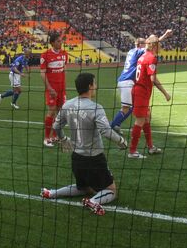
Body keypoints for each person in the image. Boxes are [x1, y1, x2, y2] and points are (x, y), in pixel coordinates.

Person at [40, 73, 127, 216]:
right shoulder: (95, 108)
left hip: (77, 158)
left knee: (84, 188)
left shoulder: (68, 105)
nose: (96, 86)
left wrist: (63, 139)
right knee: (111, 190)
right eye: (94, 83)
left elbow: (56, 126)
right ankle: (93, 202)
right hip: (94, 158)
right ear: (89, 86)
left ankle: (51, 193)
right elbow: (105, 131)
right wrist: (121, 141)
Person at [110, 30, 172, 135]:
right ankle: (111, 126)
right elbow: (152, 44)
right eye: (144, 44)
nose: (146, 46)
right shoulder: (138, 51)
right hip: (128, 82)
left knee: (133, 107)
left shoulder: (130, 51)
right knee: (126, 108)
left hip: (124, 81)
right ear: (140, 45)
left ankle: (118, 125)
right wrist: (165, 35)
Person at [128, 35, 172, 158]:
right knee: (140, 120)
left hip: (138, 90)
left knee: (147, 118)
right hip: (141, 92)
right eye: (159, 45)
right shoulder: (151, 58)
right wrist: (165, 93)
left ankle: (151, 147)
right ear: (154, 45)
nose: (161, 47)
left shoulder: (142, 57)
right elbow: (153, 79)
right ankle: (132, 151)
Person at [41, 32, 68, 147]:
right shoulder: (45, 55)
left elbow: (64, 69)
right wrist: (49, 88)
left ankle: (54, 135)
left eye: (61, 40)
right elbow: (42, 73)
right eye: (58, 41)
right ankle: (46, 138)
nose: (60, 42)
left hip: (62, 89)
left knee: (60, 112)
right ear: (52, 43)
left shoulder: (64, 54)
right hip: (51, 89)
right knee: (51, 111)